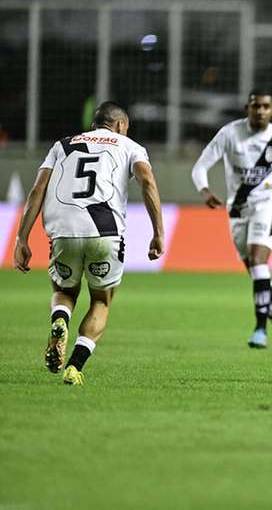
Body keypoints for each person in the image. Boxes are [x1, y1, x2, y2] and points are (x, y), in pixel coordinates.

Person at [13, 102, 164, 385]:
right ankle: (74, 366)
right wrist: (158, 231)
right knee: (100, 301)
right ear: (120, 126)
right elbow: (148, 182)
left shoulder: (63, 145)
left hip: (63, 231)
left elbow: (37, 190)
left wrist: (22, 237)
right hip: (105, 232)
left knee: (64, 291)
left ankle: (60, 320)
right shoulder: (130, 146)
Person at [192, 89, 272, 350]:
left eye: (266, 107)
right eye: (256, 106)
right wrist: (205, 190)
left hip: (268, 204)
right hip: (238, 209)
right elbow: (201, 166)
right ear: (247, 108)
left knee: (257, 260)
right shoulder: (230, 134)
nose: (260, 111)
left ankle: (260, 329)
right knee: (258, 274)